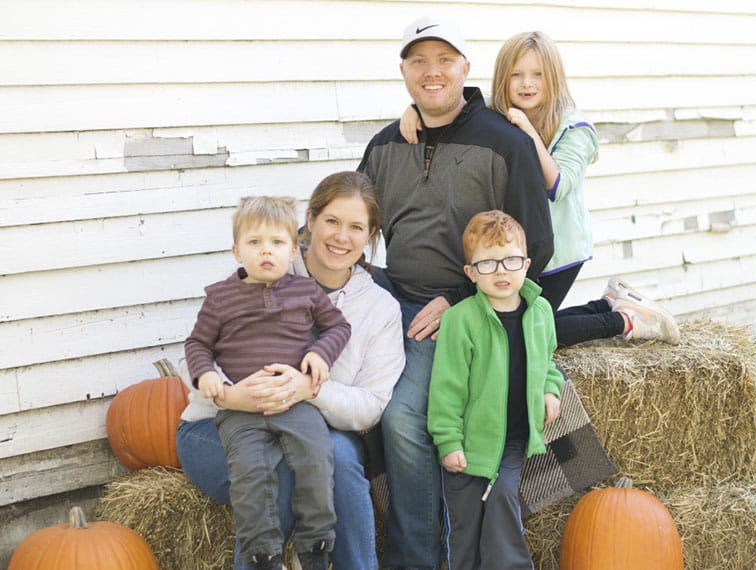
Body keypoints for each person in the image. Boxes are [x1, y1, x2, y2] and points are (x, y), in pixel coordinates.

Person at [358, 14, 554, 569]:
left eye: (445, 59)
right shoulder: (383, 146)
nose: (432, 72)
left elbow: (535, 246)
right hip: (389, 299)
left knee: (401, 418)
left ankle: (419, 560)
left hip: (458, 308)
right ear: (403, 72)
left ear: (466, 68)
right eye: (418, 60)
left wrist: (464, 302)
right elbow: (352, 224)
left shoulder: (503, 143)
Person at [178, 172, 404, 570]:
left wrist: (307, 389)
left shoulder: (379, 309)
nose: (341, 237)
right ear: (310, 220)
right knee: (279, 472)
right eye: (332, 221)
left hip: (309, 426)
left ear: (370, 236)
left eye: (356, 227)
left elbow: (369, 407)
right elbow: (194, 354)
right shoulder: (264, 262)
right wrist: (231, 394)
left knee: (333, 458)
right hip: (219, 425)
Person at [401, 30, 680, 348]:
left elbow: (557, 185)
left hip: (556, 250)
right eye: (516, 75)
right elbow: (452, 104)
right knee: (514, 325)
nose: (526, 84)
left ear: (554, 78)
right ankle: (605, 305)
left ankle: (624, 320)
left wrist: (527, 132)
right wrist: (415, 109)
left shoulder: (576, 129)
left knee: (525, 336)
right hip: (509, 248)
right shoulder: (494, 111)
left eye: (538, 75)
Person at [428, 210, 563, 569]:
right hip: (470, 444)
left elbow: (548, 362)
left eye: (510, 260)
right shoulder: (461, 319)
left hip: (515, 439)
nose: (501, 271)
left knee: (503, 497)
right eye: (487, 263)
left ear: (527, 264)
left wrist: (550, 389)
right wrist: (448, 441)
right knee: (465, 531)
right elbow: (447, 386)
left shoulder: (541, 312)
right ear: (470, 273)